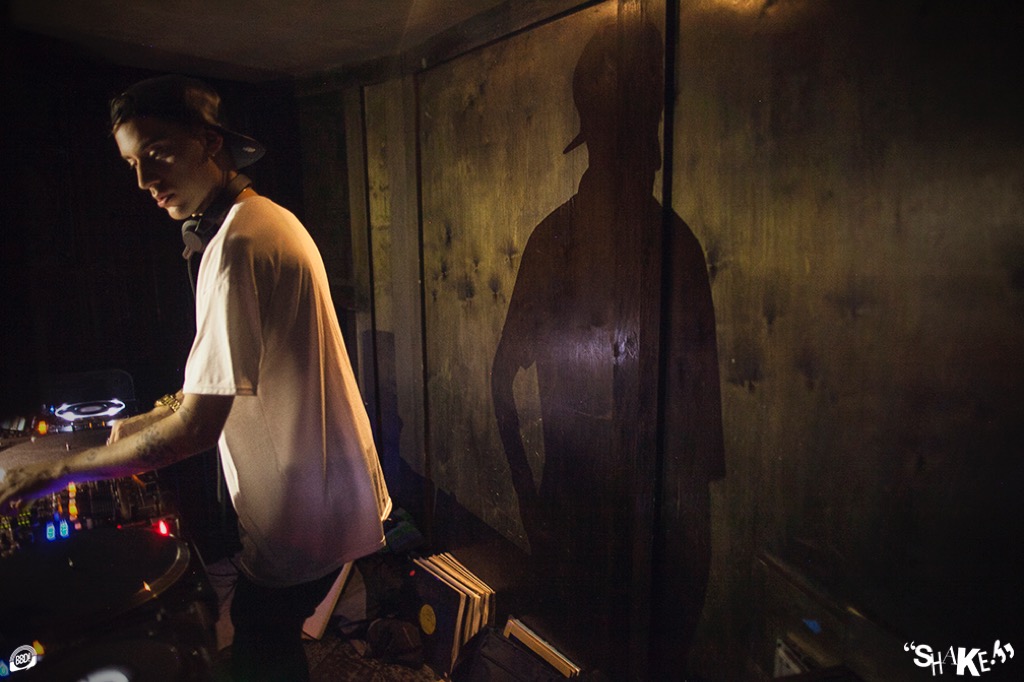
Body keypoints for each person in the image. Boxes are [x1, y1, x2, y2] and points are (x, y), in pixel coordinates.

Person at [0, 75, 392, 682]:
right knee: (269, 641)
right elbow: (221, 385)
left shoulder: (237, 248)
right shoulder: (266, 220)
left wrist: (54, 473)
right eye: (132, 163)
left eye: (157, 153)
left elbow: (196, 429)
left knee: (261, 649)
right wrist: (141, 420)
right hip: (323, 499)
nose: (143, 180)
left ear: (210, 142)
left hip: (300, 518)